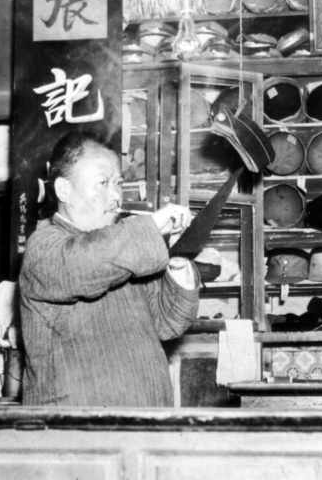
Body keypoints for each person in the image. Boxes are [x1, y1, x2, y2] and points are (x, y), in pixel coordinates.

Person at [18, 131, 199, 407]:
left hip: (143, 429)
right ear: (64, 190)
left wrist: (177, 257)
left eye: (118, 183)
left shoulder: (124, 249)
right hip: (80, 436)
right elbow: (84, 261)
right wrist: (150, 229)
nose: (116, 195)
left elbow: (169, 324)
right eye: (103, 183)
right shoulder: (43, 247)